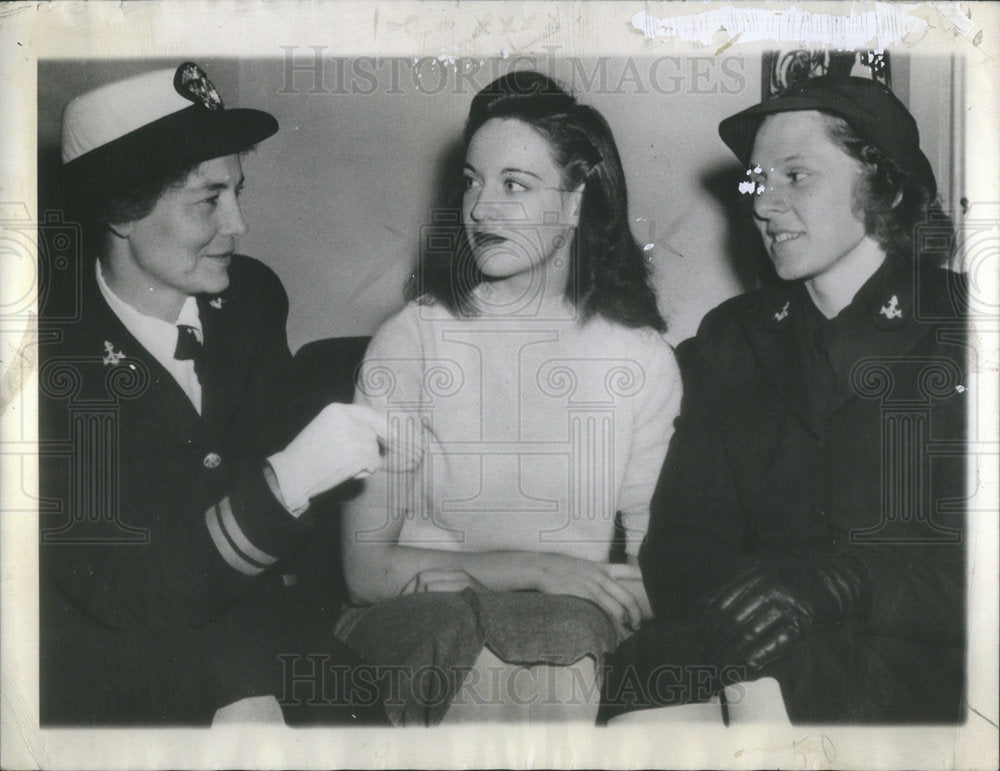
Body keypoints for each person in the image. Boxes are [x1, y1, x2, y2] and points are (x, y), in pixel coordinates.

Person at [602, 75, 967, 724]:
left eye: (796, 176)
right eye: (755, 181)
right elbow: (681, 544)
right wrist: (750, 612)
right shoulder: (732, 339)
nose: (763, 205)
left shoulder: (968, 332)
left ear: (885, 183)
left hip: (926, 677)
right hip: (749, 657)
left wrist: (843, 584)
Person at [39, 62, 388, 725]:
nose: (239, 224)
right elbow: (126, 595)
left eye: (237, 191)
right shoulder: (50, 361)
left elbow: (266, 450)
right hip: (119, 662)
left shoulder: (251, 297)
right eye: (208, 200)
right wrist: (292, 477)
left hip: (254, 629)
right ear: (120, 210)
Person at [337, 71, 682, 724]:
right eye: (471, 180)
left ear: (577, 201)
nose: (480, 207)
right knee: (510, 652)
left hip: (565, 628)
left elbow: (654, 570)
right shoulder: (410, 339)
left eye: (514, 185)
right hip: (419, 619)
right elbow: (365, 569)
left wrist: (519, 579)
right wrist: (536, 567)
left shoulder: (640, 359)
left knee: (555, 643)